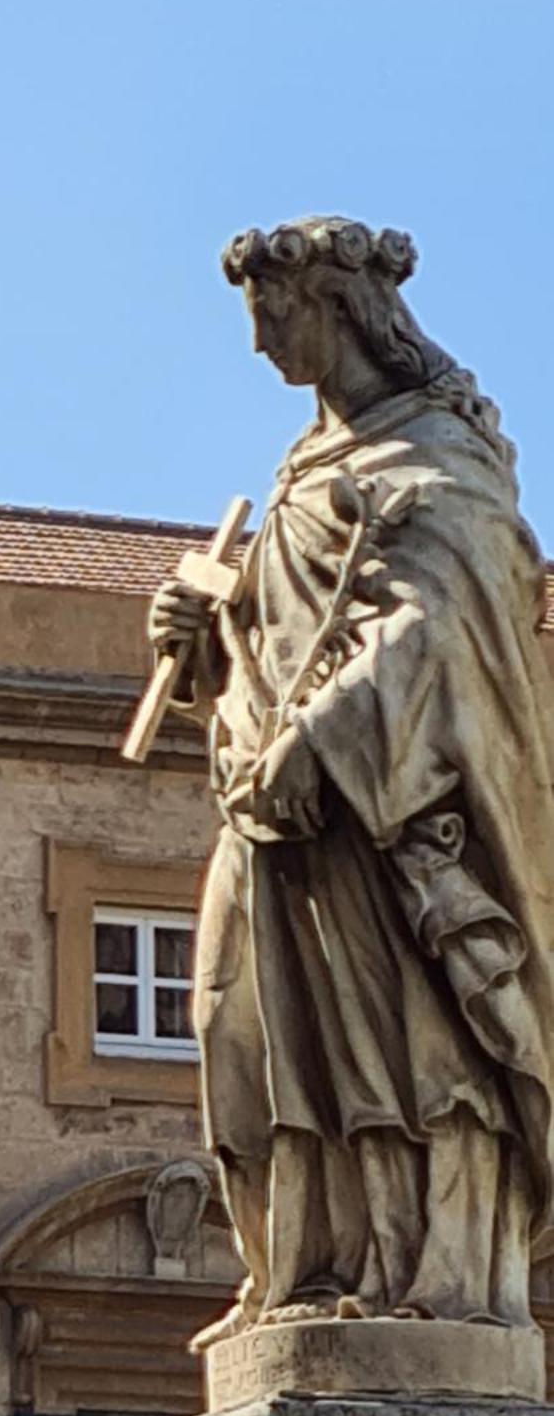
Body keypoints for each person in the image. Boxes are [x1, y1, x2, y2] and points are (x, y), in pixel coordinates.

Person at [150, 217, 554, 1346]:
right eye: (254, 316)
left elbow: (438, 627)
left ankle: (430, 1281)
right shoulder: (302, 472)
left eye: (280, 312)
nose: (263, 339)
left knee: (417, 1047)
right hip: (274, 820)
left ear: (347, 311)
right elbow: (279, 637)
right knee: (240, 1039)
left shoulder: (443, 459)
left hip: (390, 825)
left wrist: (321, 741)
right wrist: (203, 632)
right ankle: (303, 1271)